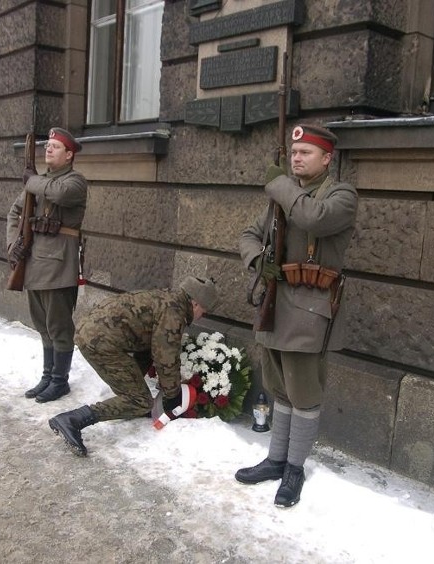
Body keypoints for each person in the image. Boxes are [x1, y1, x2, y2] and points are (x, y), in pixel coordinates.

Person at [236, 124, 358, 508]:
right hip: (275, 302)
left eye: (306, 152)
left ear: (327, 158)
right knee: (280, 389)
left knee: (304, 393)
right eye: (294, 152)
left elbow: (315, 219)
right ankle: (276, 459)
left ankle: (295, 468)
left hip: (311, 309)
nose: (297, 158)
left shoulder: (341, 195)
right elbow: (248, 234)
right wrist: (259, 260)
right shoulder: (281, 196)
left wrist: (280, 186)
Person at [47, 276, 218, 456]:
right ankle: (72, 420)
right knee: (141, 401)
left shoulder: (166, 298)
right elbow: (166, 358)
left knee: (138, 397)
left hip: (92, 333)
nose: (201, 316)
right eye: (204, 311)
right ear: (195, 304)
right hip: (100, 343)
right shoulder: (174, 313)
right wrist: (173, 395)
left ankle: (129, 402)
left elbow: (147, 345)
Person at [7, 127, 88, 403]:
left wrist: (31, 182)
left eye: (55, 146)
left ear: (69, 154)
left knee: (59, 325)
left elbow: (61, 195)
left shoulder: (75, 181)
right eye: (47, 145)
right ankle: (47, 376)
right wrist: (13, 245)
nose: (48, 149)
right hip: (33, 264)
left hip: (58, 265)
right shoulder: (39, 181)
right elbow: (15, 212)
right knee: (42, 324)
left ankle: (60, 381)